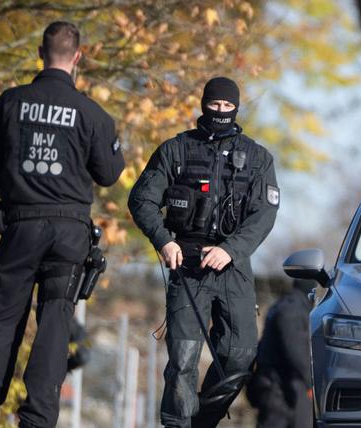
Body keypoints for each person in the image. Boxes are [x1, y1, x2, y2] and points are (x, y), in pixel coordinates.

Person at [0, 21, 124, 428]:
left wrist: (19, 195)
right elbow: (109, 173)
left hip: (21, 225)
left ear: (39, 52)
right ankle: (36, 420)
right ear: (78, 57)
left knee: (0, 319)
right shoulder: (92, 114)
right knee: (55, 322)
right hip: (69, 233)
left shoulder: (10, 103)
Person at [129, 76, 279, 428]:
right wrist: (164, 240)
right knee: (182, 359)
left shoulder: (258, 158)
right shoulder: (176, 150)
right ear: (203, 104)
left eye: (228, 106)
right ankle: (177, 424)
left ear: (237, 108)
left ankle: (202, 422)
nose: (221, 112)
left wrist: (230, 250)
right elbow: (141, 199)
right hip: (186, 267)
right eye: (215, 105)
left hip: (234, 268)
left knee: (239, 356)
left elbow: (264, 215)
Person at [247, 279, 313, 428]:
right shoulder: (293, 309)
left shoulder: (280, 305)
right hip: (281, 387)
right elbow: (295, 350)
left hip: (272, 383)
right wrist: (311, 382)